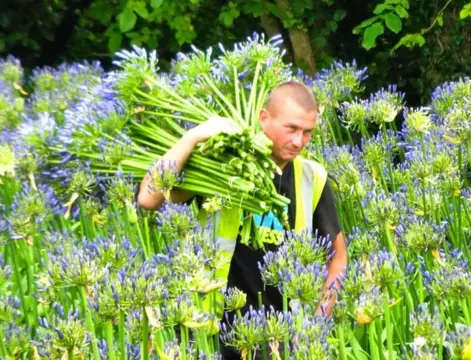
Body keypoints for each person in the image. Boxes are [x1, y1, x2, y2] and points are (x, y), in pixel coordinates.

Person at [137, 80, 348, 359]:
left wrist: (315, 323)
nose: (299, 141)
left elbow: (338, 258)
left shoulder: (313, 177)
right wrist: (193, 137)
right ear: (264, 118)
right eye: (291, 129)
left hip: (277, 337)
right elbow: (147, 199)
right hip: (207, 328)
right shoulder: (222, 165)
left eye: (307, 132)